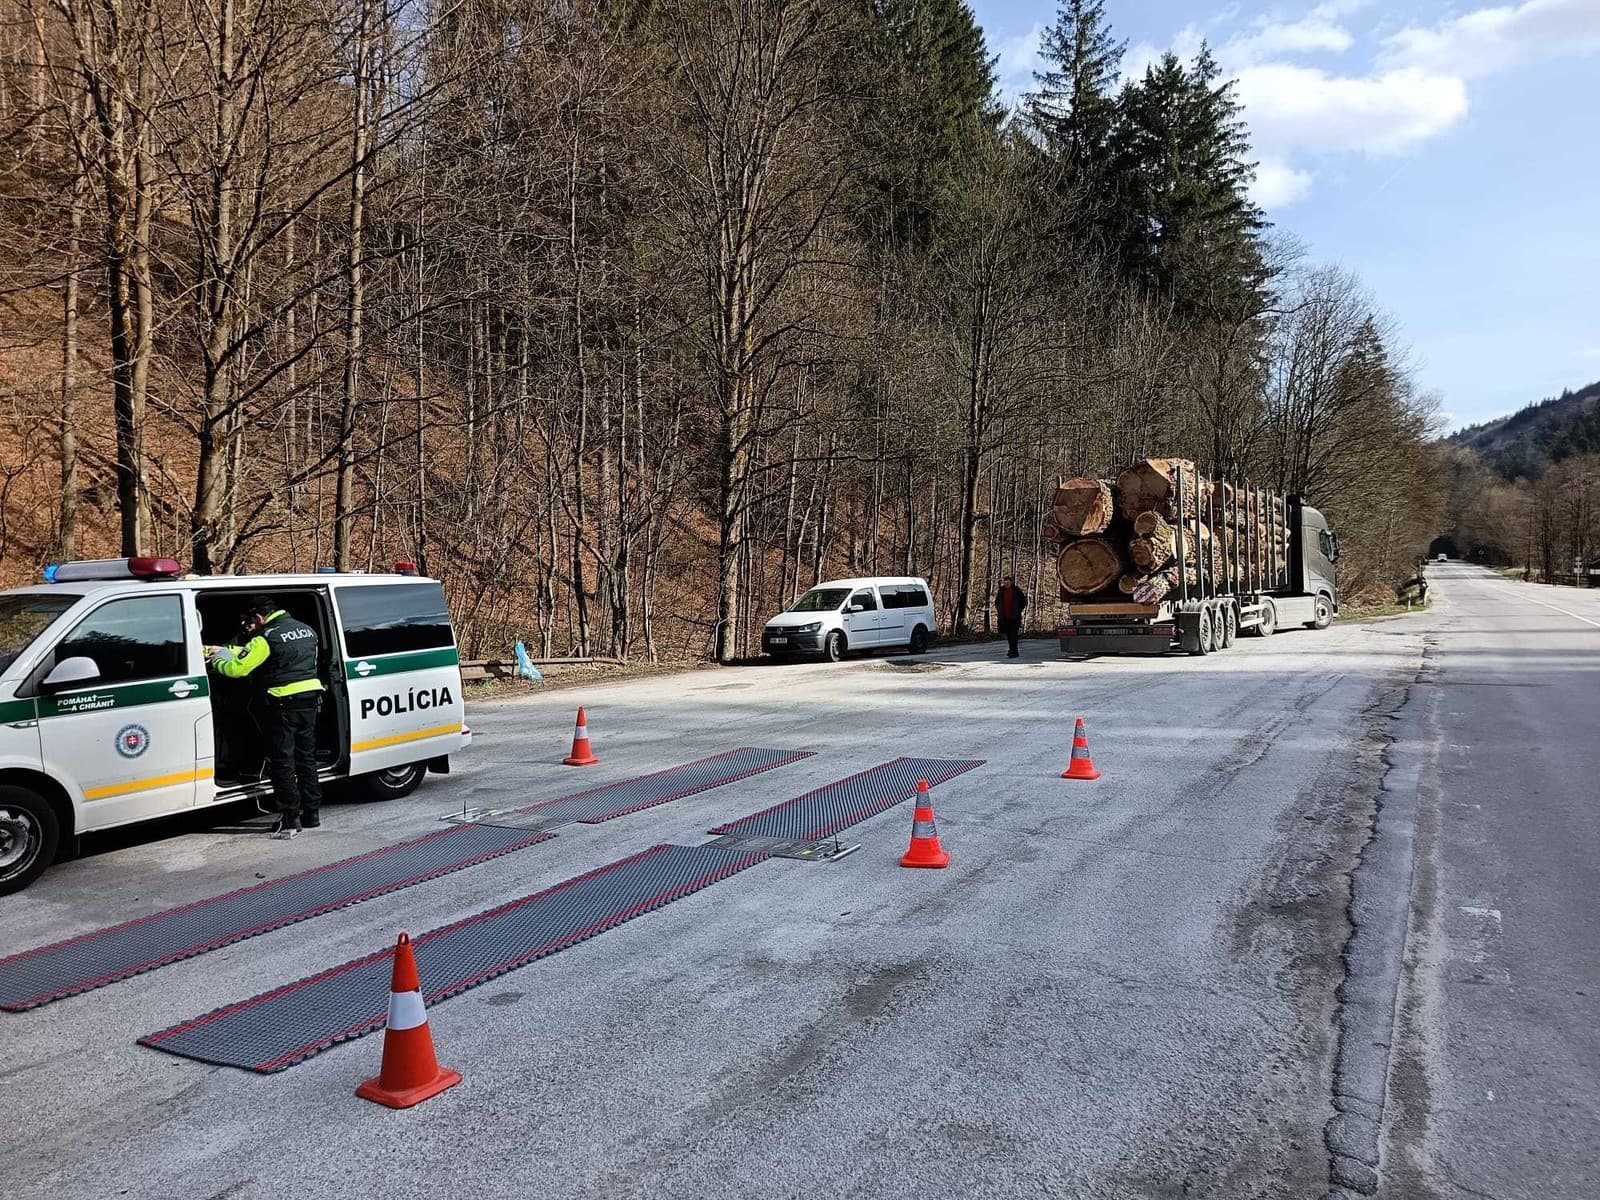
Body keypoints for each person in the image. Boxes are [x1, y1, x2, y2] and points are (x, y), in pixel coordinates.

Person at [207, 596, 324, 840]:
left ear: (259, 617)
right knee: (306, 758)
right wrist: (230, 650)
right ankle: (312, 814)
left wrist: (216, 661)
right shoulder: (306, 630)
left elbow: (237, 669)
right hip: (309, 699)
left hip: (282, 703)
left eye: (251, 621)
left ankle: (290, 819)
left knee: (283, 762)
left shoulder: (265, 637)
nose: (249, 626)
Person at [994, 575, 1028, 658]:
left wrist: (1019, 610)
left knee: (1014, 634)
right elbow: (997, 602)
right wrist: (999, 610)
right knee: (1009, 635)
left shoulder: (1016, 590)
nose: (1006, 584)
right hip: (1005, 617)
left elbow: (1023, 601)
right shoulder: (1001, 591)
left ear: (1011, 582)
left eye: (1008, 583)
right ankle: (1012, 650)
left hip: (1015, 617)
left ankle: (1013, 650)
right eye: (1005, 583)